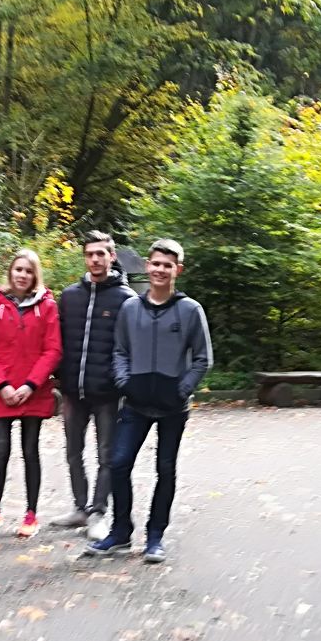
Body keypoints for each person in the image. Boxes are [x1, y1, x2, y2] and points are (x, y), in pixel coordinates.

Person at [85, 239, 212, 564]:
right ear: (147, 265)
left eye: (167, 265)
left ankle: (155, 537)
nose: (160, 270)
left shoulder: (190, 310)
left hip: (173, 407)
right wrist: (125, 383)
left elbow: (203, 358)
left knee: (165, 469)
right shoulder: (131, 308)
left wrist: (182, 389)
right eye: (156, 263)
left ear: (177, 270)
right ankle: (120, 532)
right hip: (136, 404)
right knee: (118, 463)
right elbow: (120, 351)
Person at [0, 250, 61, 538]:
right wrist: (3, 384)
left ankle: (31, 514)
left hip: (32, 390)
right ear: (10, 272)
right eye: (18, 269)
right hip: (1, 390)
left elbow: (53, 350)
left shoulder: (47, 306)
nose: (22, 275)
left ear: (35, 275)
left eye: (28, 270)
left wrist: (30, 385)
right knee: (0, 450)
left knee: (30, 450)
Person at [52, 231, 133, 538]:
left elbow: (129, 347)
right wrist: (58, 376)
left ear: (112, 256)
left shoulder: (126, 299)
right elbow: (58, 340)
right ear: (84, 257)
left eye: (101, 253)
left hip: (107, 393)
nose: (95, 259)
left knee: (106, 455)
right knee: (73, 451)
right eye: (90, 254)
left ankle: (98, 512)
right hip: (73, 390)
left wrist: (121, 382)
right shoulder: (70, 296)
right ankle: (80, 507)